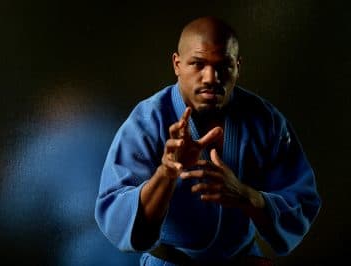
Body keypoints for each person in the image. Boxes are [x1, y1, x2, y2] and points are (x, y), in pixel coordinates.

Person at [95, 16, 321, 265]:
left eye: (223, 66)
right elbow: (114, 209)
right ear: (177, 65)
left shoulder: (265, 121)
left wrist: (246, 196)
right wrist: (166, 173)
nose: (211, 77)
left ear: (238, 66)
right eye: (198, 64)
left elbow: (301, 200)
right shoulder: (147, 122)